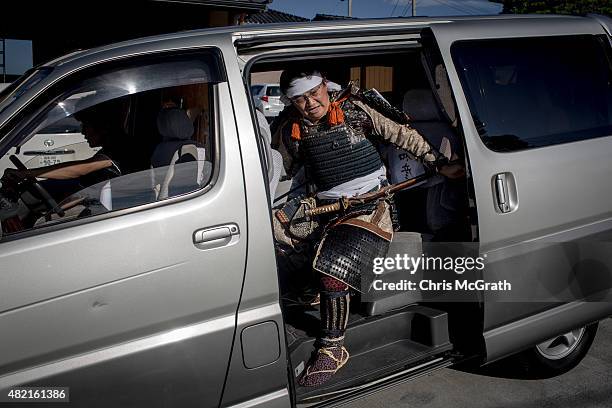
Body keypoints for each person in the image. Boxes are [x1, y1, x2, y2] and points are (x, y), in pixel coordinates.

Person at [272, 69, 462, 387]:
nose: (310, 102)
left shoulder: (353, 108)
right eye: (300, 98)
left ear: (324, 87)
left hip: (370, 210)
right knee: (276, 236)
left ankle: (333, 348)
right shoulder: (291, 126)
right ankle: (311, 293)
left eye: (313, 93)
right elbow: (278, 165)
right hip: (324, 210)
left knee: (332, 266)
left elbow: (402, 135)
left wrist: (440, 163)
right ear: (291, 101)